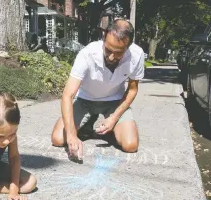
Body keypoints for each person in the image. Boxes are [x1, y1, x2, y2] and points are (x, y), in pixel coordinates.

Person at [51, 19, 145, 159]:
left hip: (115, 101)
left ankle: (112, 129)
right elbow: (67, 95)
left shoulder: (136, 55)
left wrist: (114, 118)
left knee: (130, 146)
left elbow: (132, 90)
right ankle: (88, 124)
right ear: (103, 38)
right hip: (85, 100)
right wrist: (71, 136)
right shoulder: (87, 54)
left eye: (118, 52)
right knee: (58, 139)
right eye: (108, 49)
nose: (111, 56)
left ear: (128, 47)